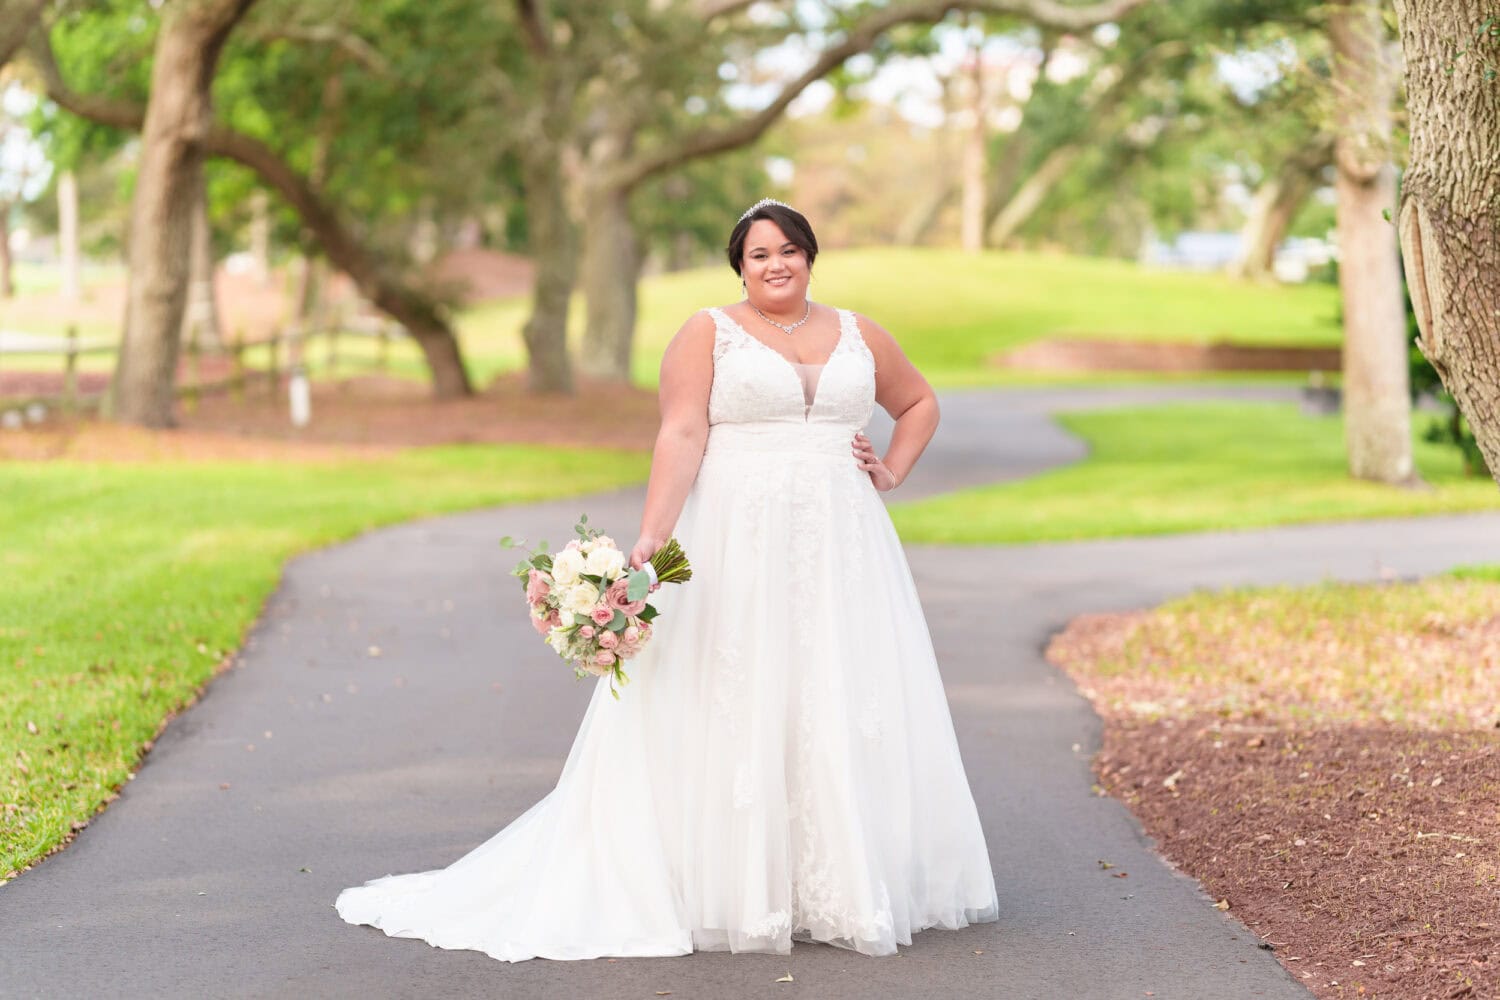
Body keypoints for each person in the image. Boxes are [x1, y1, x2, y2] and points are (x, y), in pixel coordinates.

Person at [335, 200, 999, 960]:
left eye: (788, 250)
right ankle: (730, 886)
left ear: (810, 255)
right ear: (739, 266)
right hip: (735, 535)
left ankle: (837, 883)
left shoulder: (859, 332)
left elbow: (917, 402)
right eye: (758, 255)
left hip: (844, 544)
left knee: (836, 690)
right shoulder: (707, 333)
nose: (775, 264)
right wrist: (653, 536)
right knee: (734, 688)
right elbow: (681, 432)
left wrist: (892, 469)